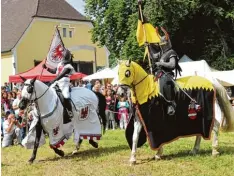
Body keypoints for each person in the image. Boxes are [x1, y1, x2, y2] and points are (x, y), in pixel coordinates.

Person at [148, 27, 182, 115]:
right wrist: (149, 45)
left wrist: (162, 63)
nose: (163, 46)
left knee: (165, 82)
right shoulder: (161, 53)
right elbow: (153, 56)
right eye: (161, 45)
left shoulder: (171, 52)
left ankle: (170, 103)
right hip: (158, 73)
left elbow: (172, 65)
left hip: (167, 74)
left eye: (164, 44)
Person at [43, 49, 76, 118]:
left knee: (66, 96)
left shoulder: (69, 66)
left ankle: (70, 111)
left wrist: (54, 80)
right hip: (57, 82)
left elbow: (62, 74)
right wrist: (46, 68)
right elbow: (54, 71)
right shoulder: (60, 64)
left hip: (65, 83)